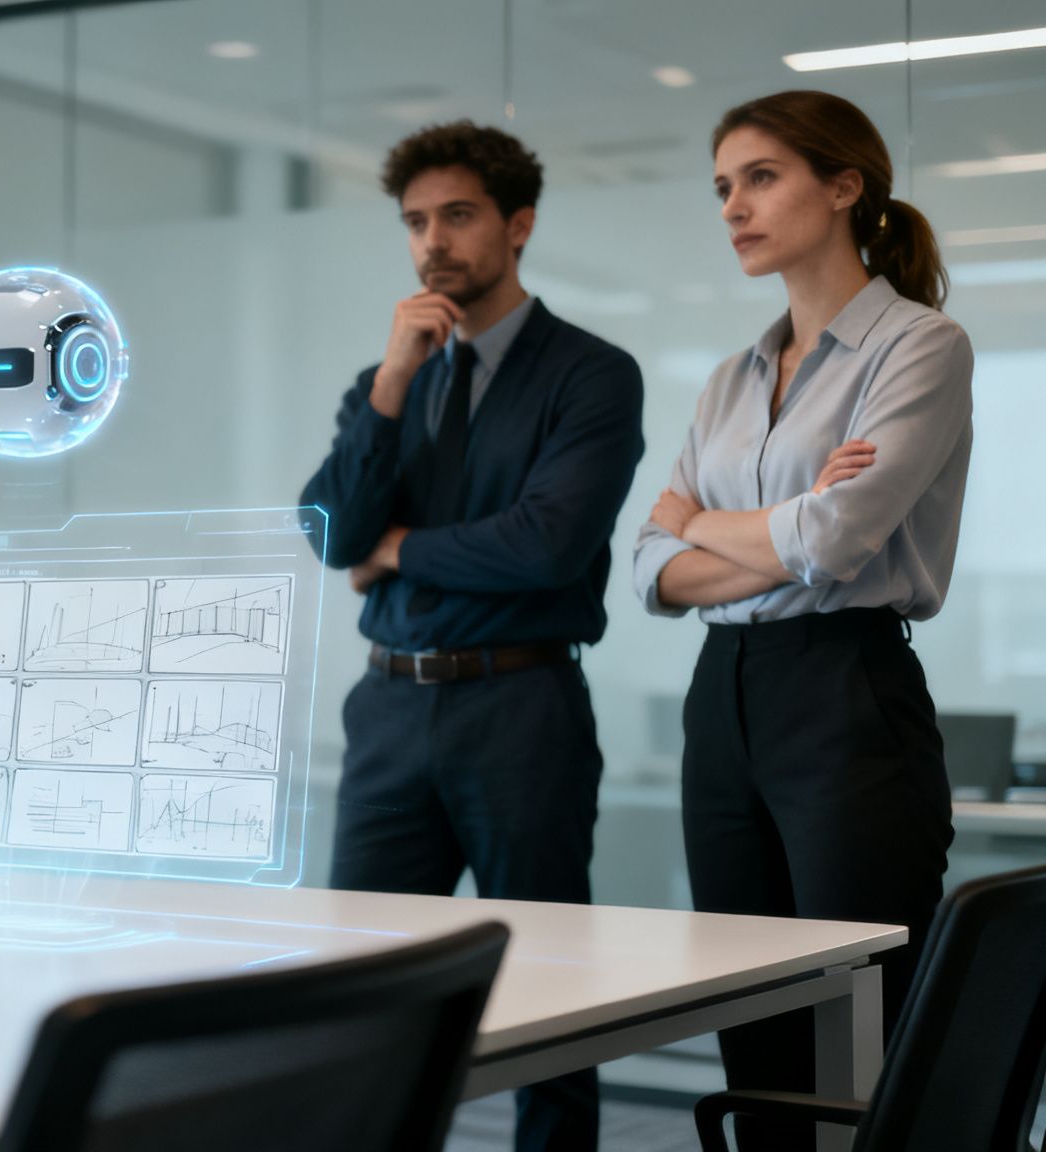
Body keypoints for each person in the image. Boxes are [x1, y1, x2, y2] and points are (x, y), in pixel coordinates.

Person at [634, 89, 971, 1151]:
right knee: (749, 1013)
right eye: (722, 186)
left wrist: (710, 525)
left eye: (760, 177)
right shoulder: (729, 379)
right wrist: (777, 531)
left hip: (844, 689)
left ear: (842, 186)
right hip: (719, 702)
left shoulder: (919, 346)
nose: (733, 205)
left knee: (855, 1018)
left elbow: (831, 545)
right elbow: (648, 568)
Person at [300, 121, 644, 1152]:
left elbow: (544, 547)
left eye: (456, 215)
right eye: (415, 221)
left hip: (518, 705)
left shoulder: (590, 374)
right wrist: (392, 384)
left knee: (549, 984)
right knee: (360, 980)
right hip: (390, 709)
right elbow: (327, 532)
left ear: (517, 224)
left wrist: (395, 547)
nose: (432, 241)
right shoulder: (385, 382)